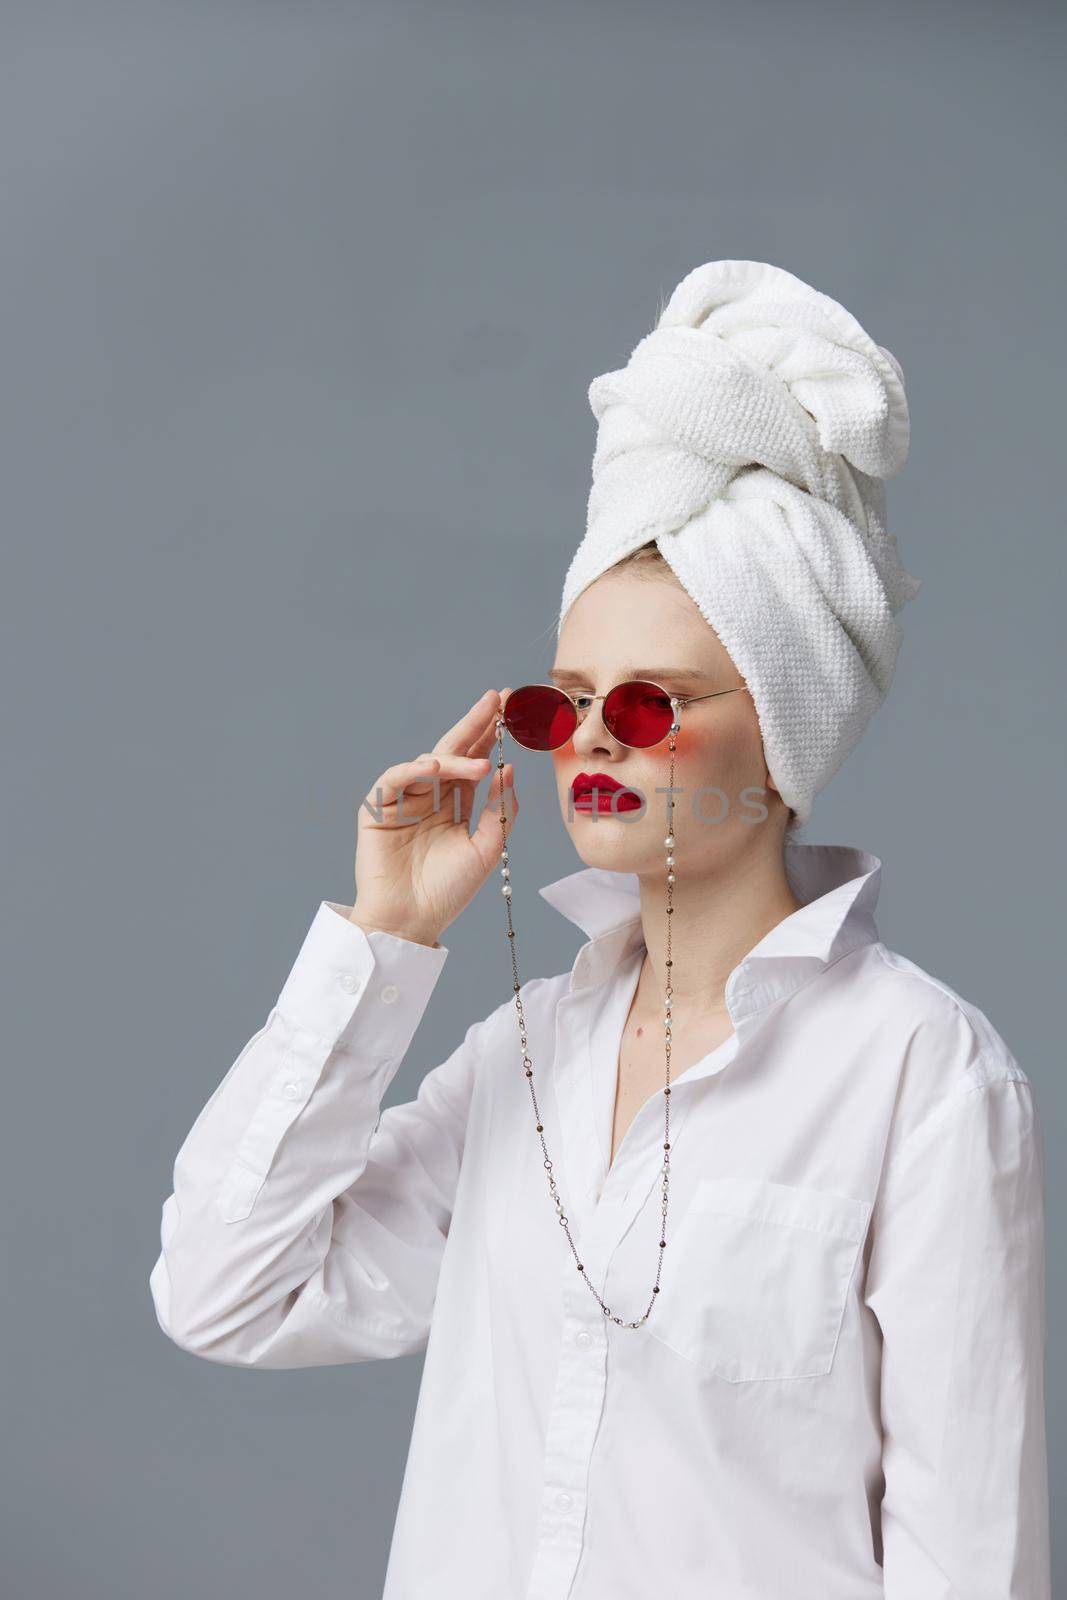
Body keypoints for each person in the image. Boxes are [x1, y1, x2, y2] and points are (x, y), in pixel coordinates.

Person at [149, 261, 1051, 1598]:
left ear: (787, 734)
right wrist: (385, 942)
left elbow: (970, 1557)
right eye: (561, 703)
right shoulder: (527, 1055)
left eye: (650, 706)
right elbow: (227, 1292)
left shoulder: (923, 1077)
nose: (589, 744)